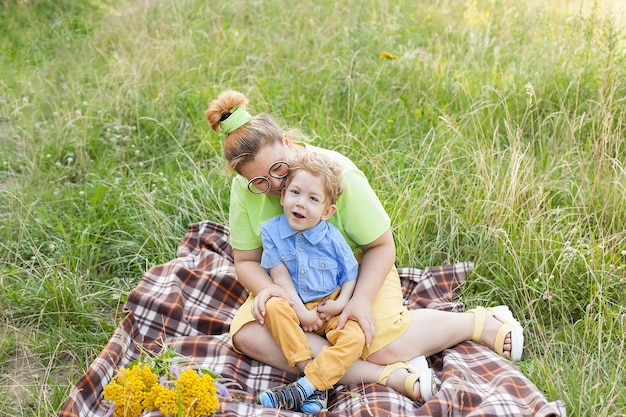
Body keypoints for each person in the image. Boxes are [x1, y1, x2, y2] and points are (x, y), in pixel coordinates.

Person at [205, 90, 524, 406]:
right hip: (288, 276)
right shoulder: (245, 188)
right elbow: (246, 261)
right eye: (259, 182)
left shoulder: (335, 175)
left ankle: (476, 322)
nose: (274, 186)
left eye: (278, 169)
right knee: (246, 335)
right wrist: (274, 293)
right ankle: (384, 376)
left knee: (379, 342)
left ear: (288, 142)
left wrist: (359, 300)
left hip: (350, 271)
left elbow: (382, 245)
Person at [256, 151, 437, 412]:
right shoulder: (271, 231)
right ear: (283, 195)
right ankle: (315, 381)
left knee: (356, 335)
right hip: (294, 302)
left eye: (313, 199)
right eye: (295, 193)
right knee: (272, 308)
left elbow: (351, 273)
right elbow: (280, 275)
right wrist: (300, 313)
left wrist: (341, 303)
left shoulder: (332, 238)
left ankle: (305, 387)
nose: (301, 204)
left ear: (327, 211)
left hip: (329, 304)